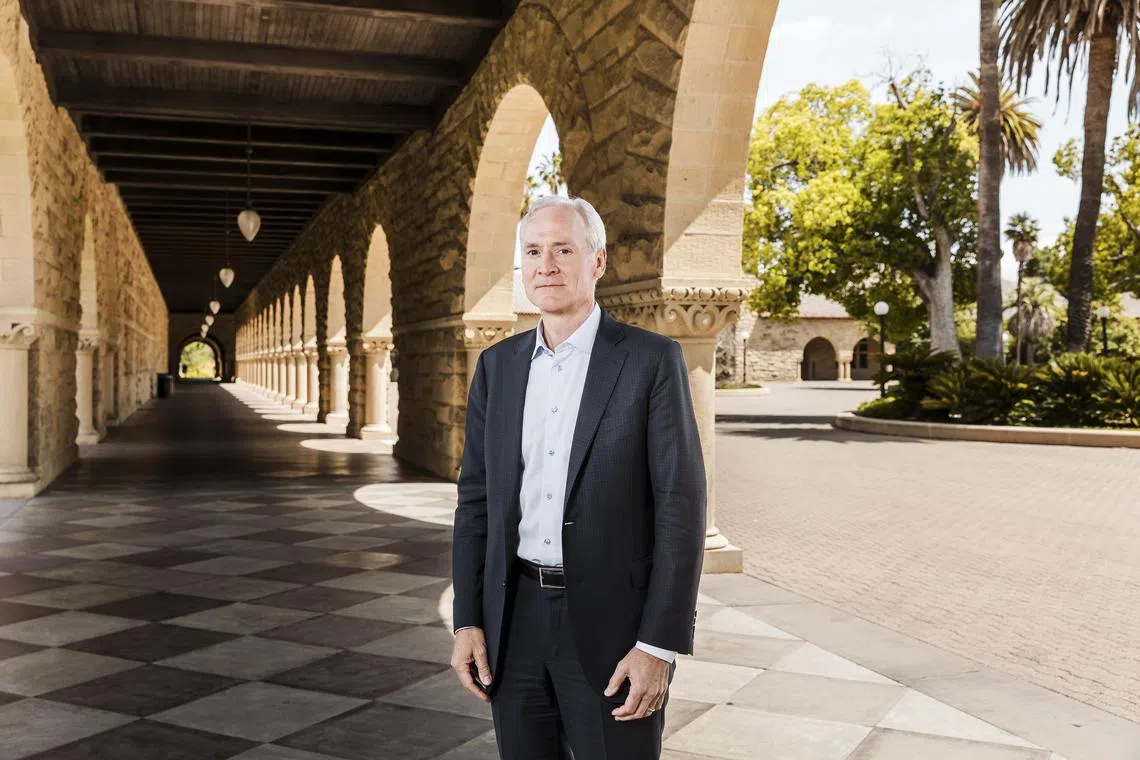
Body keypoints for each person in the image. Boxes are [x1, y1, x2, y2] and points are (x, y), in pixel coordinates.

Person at [450, 194, 706, 760]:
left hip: (615, 631)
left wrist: (658, 644)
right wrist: (467, 620)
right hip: (511, 625)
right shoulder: (497, 367)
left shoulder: (650, 361)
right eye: (534, 251)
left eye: (564, 249)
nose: (547, 265)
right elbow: (475, 505)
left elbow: (679, 510)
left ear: (597, 261)